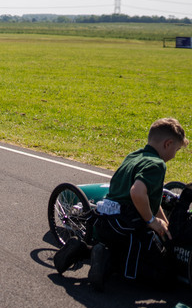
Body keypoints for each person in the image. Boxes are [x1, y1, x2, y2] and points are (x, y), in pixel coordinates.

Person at [54, 118, 188, 290]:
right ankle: (106, 261)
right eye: (176, 149)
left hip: (104, 221)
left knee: (123, 249)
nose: (175, 155)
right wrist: (151, 221)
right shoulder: (157, 164)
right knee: (161, 275)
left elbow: (152, 198)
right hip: (126, 226)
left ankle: (83, 250)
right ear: (167, 144)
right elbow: (137, 192)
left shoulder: (135, 155)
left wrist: (163, 222)